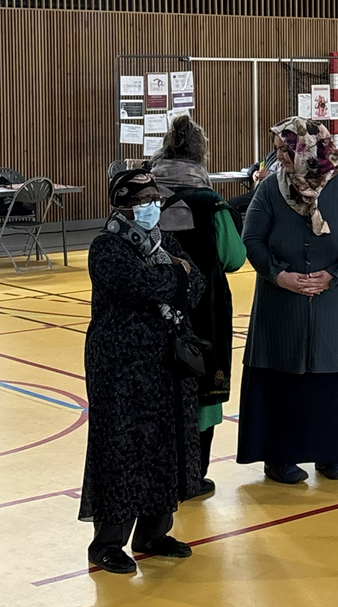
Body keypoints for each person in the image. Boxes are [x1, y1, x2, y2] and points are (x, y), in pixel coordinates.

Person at [238, 117, 338, 483]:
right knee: (286, 382)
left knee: (337, 381)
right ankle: (281, 457)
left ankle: (332, 455)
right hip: (283, 305)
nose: (279, 158)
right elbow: (252, 239)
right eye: (277, 150)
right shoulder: (271, 188)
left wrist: (335, 274)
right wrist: (278, 275)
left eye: (286, 150)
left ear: (309, 149)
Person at [79, 169, 206, 574]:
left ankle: (153, 534)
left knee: (164, 444)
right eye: (145, 201)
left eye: (156, 200)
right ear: (124, 205)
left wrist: (177, 277)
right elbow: (141, 286)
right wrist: (177, 275)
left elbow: (198, 285)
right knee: (122, 446)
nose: (154, 207)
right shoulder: (106, 247)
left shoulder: (164, 241)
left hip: (166, 362)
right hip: (120, 365)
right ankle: (107, 543)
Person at [151, 117, 246, 498]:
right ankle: (192, 477)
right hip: (204, 312)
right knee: (203, 386)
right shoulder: (212, 203)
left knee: (158, 389)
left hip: (153, 312)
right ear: (201, 154)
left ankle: (157, 476)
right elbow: (234, 257)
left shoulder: (144, 196)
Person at [228, 148, 279, 215]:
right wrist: (254, 172)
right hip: (260, 192)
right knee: (227, 206)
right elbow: (254, 166)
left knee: (231, 206)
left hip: (272, 196)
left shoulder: (290, 158)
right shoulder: (272, 155)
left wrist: (270, 176)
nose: (279, 153)